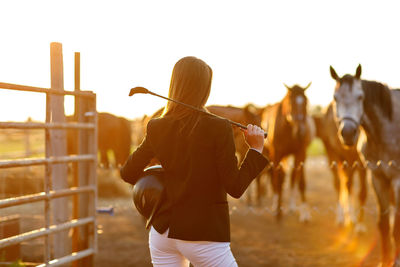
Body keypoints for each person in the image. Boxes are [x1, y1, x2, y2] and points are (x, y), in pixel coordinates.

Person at [120, 56, 268, 267]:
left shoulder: (156, 127)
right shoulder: (220, 127)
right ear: (205, 89)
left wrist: (165, 171)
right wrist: (256, 149)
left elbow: (128, 173)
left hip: (162, 233)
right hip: (204, 235)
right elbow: (235, 187)